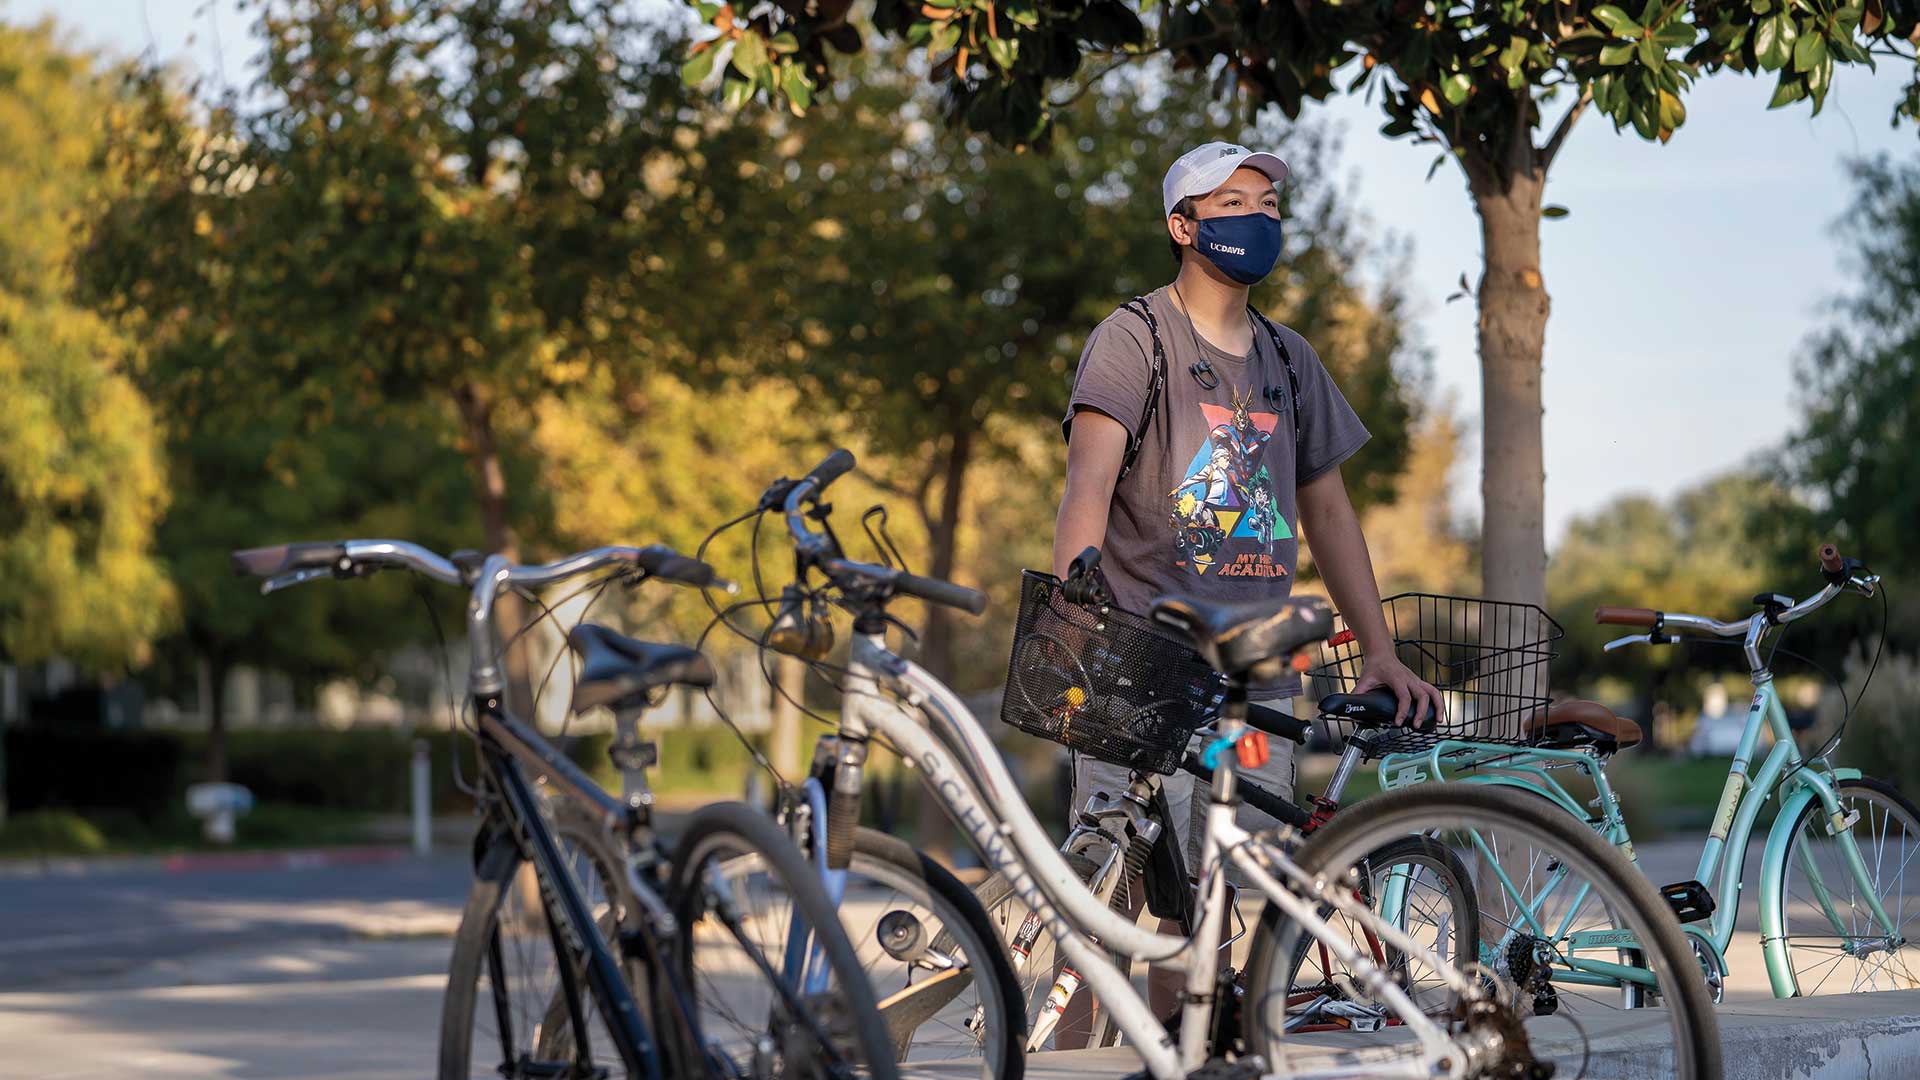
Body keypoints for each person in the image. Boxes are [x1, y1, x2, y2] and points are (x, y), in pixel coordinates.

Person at [1052, 141, 1445, 1036]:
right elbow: (1087, 488)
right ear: (1183, 226)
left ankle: (1182, 1057)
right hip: (1138, 667)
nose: (1257, 216)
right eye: (1231, 201)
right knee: (1104, 901)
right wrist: (1080, 619)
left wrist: (1378, 650)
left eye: (1268, 202)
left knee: (1207, 906)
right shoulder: (1136, 336)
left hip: (1252, 687)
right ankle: (1067, 1061)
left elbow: (1331, 516)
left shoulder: (1288, 358)